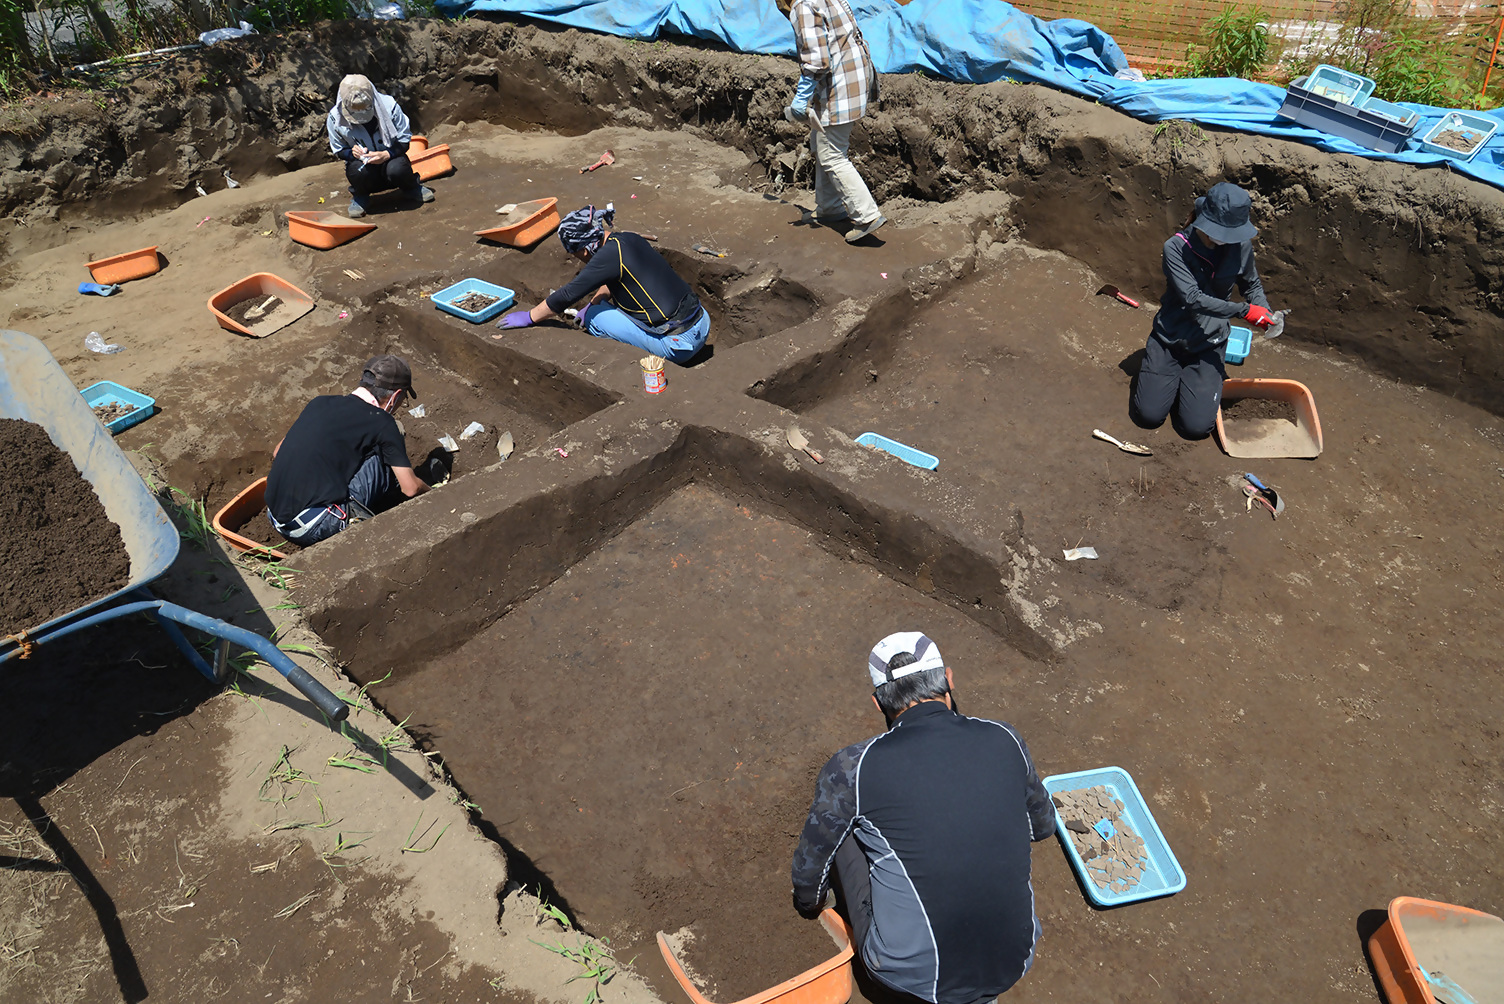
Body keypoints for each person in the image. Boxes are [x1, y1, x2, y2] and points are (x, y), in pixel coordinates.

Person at [791, 632, 1055, 1004]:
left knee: (845, 828)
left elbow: (808, 870)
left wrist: (808, 905)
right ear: (948, 679)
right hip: (1014, 959)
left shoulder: (852, 768)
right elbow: (1043, 826)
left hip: (910, 974)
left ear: (877, 701)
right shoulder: (1005, 738)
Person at [1131, 181, 1280, 438]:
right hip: (1170, 338)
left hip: (1209, 343)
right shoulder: (1176, 248)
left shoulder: (1239, 245)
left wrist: (1264, 311)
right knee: (1149, 416)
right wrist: (1244, 310)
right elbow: (1193, 298)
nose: (1228, 239)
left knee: (1196, 428)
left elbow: (1251, 283)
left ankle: (1189, 383)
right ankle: (1163, 371)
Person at [494, 204, 710, 365]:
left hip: (677, 347)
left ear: (584, 250)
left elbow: (567, 295)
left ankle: (624, 360)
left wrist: (530, 317)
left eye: (574, 253)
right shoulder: (628, 239)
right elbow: (615, 278)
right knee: (600, 306)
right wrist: (595, 300)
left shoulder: (605, 258)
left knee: (594, 318)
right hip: (702, 323)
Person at [265, 355, 429, 545]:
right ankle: (366, 513)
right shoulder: (382, 423)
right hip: (313, 528)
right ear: (395, 396)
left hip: (275, 516)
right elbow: (410, 488)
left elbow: (278, 451)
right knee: (387, 452)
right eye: (403, 399)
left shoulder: (319, 403)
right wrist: (432, 492)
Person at [783, 0, 887, 244]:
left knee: (832, 153)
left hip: (839, 86)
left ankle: (866, 216)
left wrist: (801, 97)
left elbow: (817, 60)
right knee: (820, 143)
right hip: (855, 76)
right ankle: (830, 208)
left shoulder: (802, 6)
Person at [326, 74, 433, 219]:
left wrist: (386, 155)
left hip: (391, 160)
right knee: (356, 171)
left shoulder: (390, 106)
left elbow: (404, 141)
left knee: (398, 168)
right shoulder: (334, 117)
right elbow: (339, 149)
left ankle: (411, 187)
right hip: (364, 166)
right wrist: (353, 153)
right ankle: (361, 196)